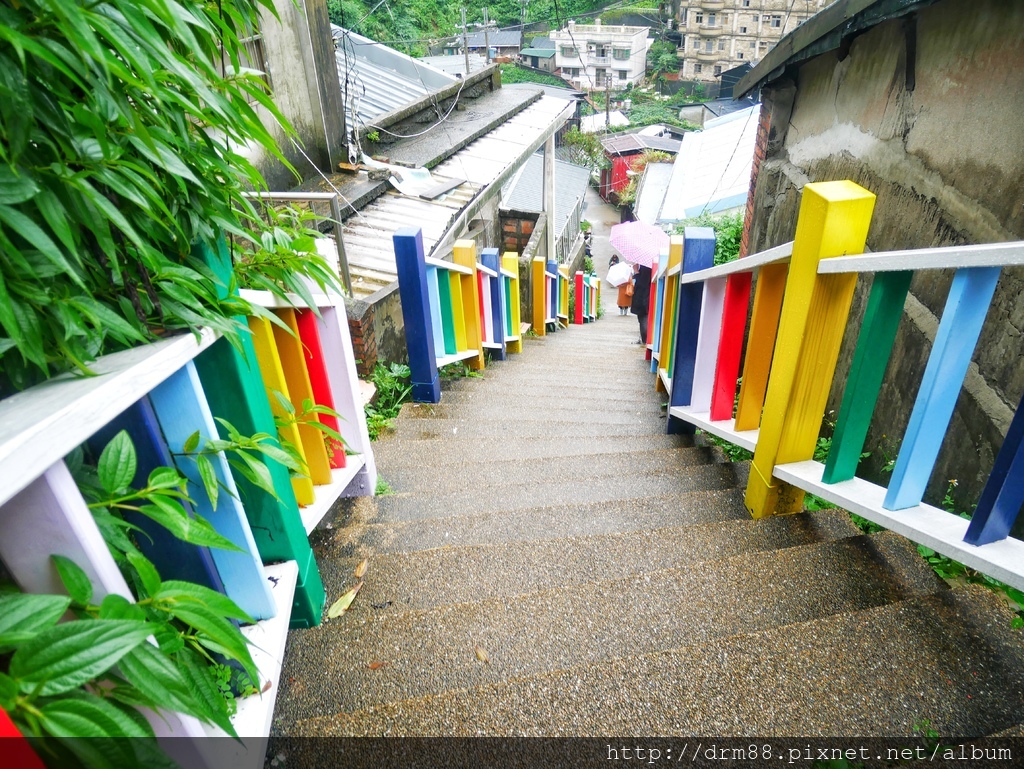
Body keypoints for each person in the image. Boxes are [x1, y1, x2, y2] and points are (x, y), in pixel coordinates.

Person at [631, 263, 652, 345]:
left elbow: (642, 283)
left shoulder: (646, 266)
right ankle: (644, 340)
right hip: (645, 296)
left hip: (643, 296)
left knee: (643, 318)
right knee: (643, 318)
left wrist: (636, 271)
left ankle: (645, 341)